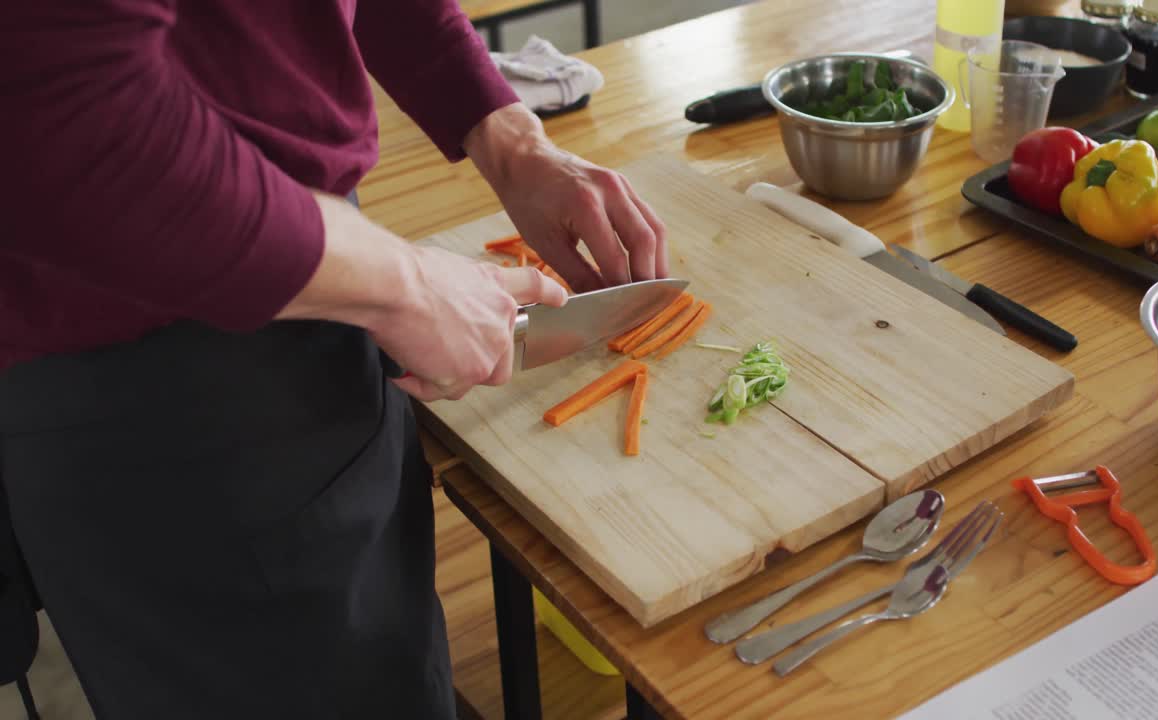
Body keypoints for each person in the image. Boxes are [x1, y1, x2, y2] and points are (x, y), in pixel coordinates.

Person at [0, 2, 667, 718]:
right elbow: (72, 117)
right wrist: (406, 288)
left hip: (292, 273)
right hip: (172, 378)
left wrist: (509, 138)